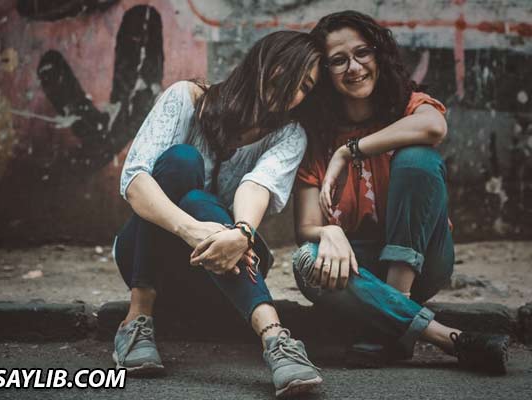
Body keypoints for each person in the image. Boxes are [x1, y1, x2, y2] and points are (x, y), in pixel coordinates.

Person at [292, 10, 509, 374]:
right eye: (338, 60)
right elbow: (306, 228)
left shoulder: (406, 106)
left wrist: (350, 151)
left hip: (424, 260)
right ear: (325, 72)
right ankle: (441, 336)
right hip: (357, 270)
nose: (355, 67)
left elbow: (433, 127)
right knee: (305, 260)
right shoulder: (315, 136)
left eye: (363, 53)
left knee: (419, 158)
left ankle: (394, 305)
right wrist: (328, 232)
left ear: (378, 54)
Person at [112, 31, 324, 397]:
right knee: (181, 162)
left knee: (199, 200)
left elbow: (256, 186)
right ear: (263, 60)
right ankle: (138, 317)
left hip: (227, 272)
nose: (293, 89)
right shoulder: (186, 98)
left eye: (305, 85)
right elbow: (134, 182)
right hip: (145, 262)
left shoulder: (290, 135)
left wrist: (240, 232)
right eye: (289, 71)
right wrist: (190, 229)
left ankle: (276, 340)